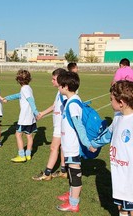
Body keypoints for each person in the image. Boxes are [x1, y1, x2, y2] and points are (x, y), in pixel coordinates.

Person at [91, 80, 133, 216]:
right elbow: (107, 135)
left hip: (129, 177)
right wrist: (94, 145)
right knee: (121, 207)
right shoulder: (117, 118)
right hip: (119, 175)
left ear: (121, 102)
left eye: (111, 100)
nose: (110, 103)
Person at [56, 71, 95, 213]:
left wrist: (87, 143)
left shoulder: (73, 104)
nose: (58, 87)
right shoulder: (70, 101)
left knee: (74, 173)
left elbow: (79, 126)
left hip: (72, 146)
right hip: (68, 146)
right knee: (71, 173)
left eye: (59, 85)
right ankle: (71, 194)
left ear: (65, 86)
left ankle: (74, 203)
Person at [32, 68, 68, 181]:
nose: (51, 81)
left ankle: (47, 173)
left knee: (53, 147)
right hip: (59, 125)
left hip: (61, 125)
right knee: (62, 148)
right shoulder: (60, 91)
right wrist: (42, 113)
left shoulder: (64, 94)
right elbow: (54, 106)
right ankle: (63, 171)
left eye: (53, 79)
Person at [5, 69, 40, 162]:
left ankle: (21, 155)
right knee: (29, 135)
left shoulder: (24, 89)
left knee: (18, 134)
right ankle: (28, 154)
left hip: (25, 117)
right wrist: (7, 98)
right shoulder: (28, 88)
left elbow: (30, 100)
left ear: (18, 80)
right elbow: (19, 95)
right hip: (30, 117)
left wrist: (36, 112)